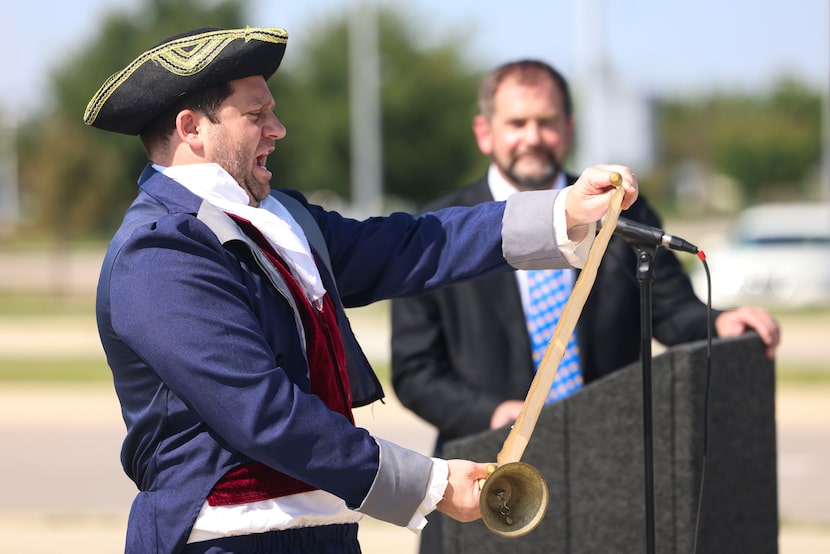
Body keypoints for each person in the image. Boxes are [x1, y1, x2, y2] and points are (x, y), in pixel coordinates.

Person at [85, 29, 638, 553]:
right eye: (256, 114)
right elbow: (263, 412)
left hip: (326, 531)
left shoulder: (281, 217)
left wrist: (561, 211)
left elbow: (410, 245)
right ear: (191, 128)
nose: (277, 129)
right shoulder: (158, 250)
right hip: (225, 541)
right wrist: (431, 484)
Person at [390, 59, 781, 554]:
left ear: (569, 129)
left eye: (547, 122)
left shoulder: (620, 209)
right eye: (517, 123)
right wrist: (495, 412)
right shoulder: (440, 228)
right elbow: (415, 371)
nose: (533, 137)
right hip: (486, 484)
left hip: (606, 479)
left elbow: (672, 310)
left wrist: (721, 322)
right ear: (485, 133)